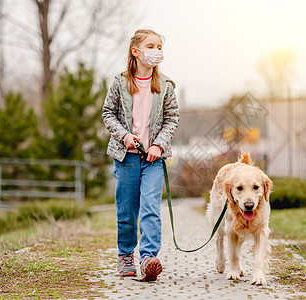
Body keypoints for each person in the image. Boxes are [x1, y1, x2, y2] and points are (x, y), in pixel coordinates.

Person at [102, 29, 179, 281]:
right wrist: (124, 135)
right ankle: (125, 257)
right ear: (135, 51)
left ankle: (148, 258)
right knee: (126, 211)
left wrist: (158, 145)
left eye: (159, 46)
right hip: (126, 157)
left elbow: (172, 119)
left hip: (153, 159)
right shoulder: (119, 83)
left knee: (150, 209)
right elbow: (107, 114)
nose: (157, 51)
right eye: (151, 46)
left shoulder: (165, 86)